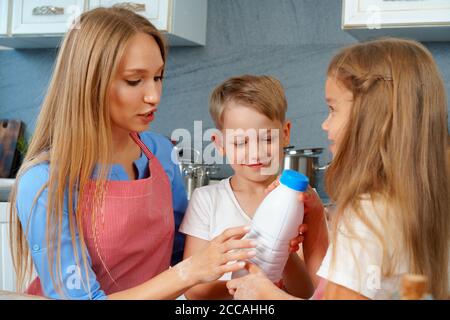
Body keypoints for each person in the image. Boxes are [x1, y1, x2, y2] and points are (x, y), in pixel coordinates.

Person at [9, 7, 256, 300]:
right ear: (90, 83)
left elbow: (184, 262)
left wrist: (252, 281)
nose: (153, 95)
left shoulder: (161, 154)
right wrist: (190, 271)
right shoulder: (45, 182)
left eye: (158, 77)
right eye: (134, 80)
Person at [227, 38, 450, 300]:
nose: (324, 124)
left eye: (332, 109)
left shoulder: (369, 213)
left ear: (369, 118)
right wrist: (316, 221)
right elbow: (333, 290)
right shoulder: (423, 201)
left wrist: (263, 293)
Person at [180, 75, 314, 299]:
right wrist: (247, 288)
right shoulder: (207, 200)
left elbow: (307, 291)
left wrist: (283, 252)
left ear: (285, 133)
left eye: (267, 139)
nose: (255, 153)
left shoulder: (302, 200)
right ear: (220, 144)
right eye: (241, 142)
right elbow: (194, 291)